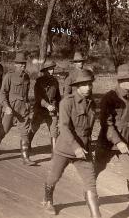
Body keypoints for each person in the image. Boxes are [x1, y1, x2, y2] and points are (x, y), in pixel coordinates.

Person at [95, 64, 129, 218]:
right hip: (109, 141)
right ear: (119, 80)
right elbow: (106, 124)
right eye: (126, 80)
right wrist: (118, 142)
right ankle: (90, 192)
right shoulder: (109, 98)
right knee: (97, 168)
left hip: (128, 143)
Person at [43, 69, 101, 218]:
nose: (88, 87)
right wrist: (76, 147)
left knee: (91, 182)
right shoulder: (67, 102)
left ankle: (96, 215)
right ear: (77, 86)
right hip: (65, 149)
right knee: (54, 177)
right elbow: (63, 127)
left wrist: (87, 147)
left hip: (84, 151)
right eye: (84, 84)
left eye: (90, 84)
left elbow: (89, 129)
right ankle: (48, 200)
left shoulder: (92, 104)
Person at [0, 51, 35, 166]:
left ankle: (25, 157)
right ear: (15, 64)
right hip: (11, 108)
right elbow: (2, 93)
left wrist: (29, 109)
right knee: (4, 129)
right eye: (20, 64)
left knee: (24, 132)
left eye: (24, 64)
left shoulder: (27, 77)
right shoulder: (9, 76)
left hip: (23, 110)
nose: (23, 66)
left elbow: (26, 95)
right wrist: (6, 107)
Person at [28, 60, 61, 154]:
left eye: (52, 69)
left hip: (52, 109)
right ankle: (27, 143)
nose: (52, 71)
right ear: (45, 70)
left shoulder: (55, 81)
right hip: (40, 109)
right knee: (34, 127)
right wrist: (47, 105)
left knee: (54, 130)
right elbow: (38, 97)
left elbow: (58, 97)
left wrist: (59, 109)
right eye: (50, 69)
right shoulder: (39, 82)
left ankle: (54, 153)